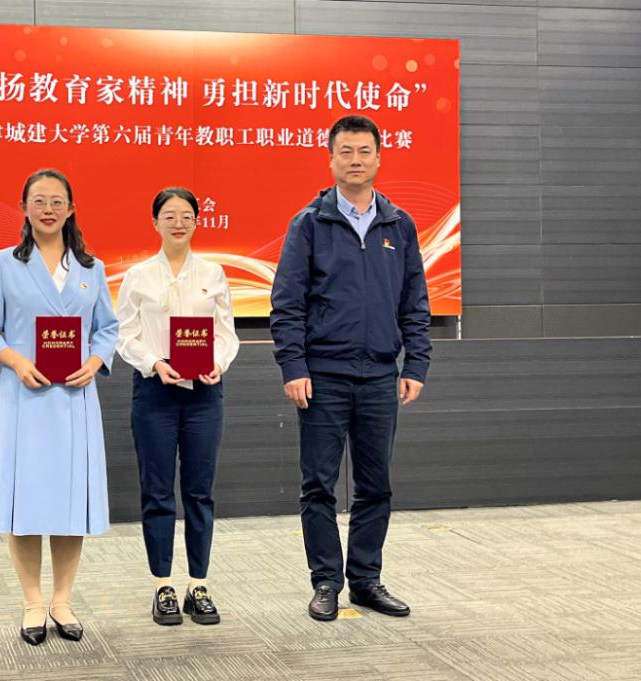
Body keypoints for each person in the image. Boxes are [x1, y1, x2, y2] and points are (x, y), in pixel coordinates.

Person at [270, 115, 432, 622]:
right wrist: (293, 366)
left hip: (381, 375)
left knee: (375, 485)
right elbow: (287, 303)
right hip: (323, 376)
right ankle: (326, 581)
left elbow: (415, 301)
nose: (355, 160)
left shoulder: (399, 224)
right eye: (346, 151)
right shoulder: (309, 223)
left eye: (364, 151)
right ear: (331, 159)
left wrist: (416, 362)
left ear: (379, 158)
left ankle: (365, 580)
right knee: (318, 486)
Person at [0, 168, 119, 646]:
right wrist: (15, 360)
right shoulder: (3, 265)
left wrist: (95, 360)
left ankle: (62, 601)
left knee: (71, 504)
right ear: (24, 208)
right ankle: (33, 602)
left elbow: (108, 329)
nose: (48, 209)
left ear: (71, 209)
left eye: (57, 201)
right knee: (26, 505)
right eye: (39, 200)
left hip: (74, 399)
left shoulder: (91, 269)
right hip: (24, 400)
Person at [115, 187, 240, 626]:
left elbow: (226, 333)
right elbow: (124, 335)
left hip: (204, 394)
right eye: (169, 215)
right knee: (157, 491)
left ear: (197, 221)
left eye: (186, 215)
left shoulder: (213, 273)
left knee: (200, 491)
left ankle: (198, 585)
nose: (178, 222)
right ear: (155, 222)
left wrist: (218, 363)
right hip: (155, 392)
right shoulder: (138, 276)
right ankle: (162, 585)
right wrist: (154, 362)